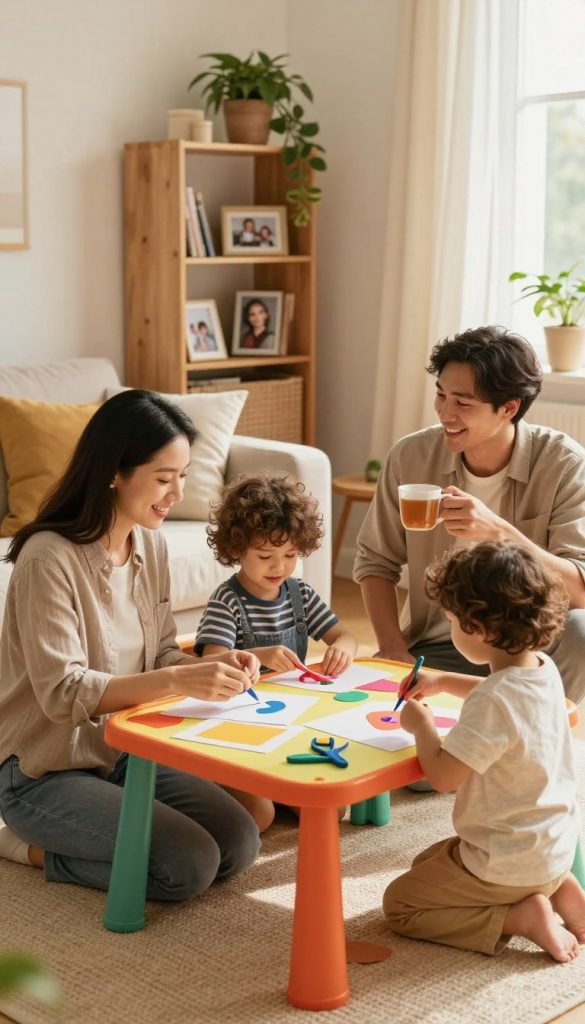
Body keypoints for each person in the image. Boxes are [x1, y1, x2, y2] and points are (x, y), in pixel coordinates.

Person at [0, 389, 261, 900]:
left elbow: (161, 653)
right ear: (114, 471)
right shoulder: (46, 559)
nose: (177, 493)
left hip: (121, 753)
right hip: (42, 770)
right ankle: (22, 847)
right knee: (187, 866)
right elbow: (61, 692)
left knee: (239, 840)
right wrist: (177, 678)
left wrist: (212, 662)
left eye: (183, 476)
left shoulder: (150, 544)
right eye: (164, 479)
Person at [354, 324, 585, 704]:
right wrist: (393, 648)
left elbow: (578, 590)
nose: (446, 412)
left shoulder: (563, 465)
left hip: (527, 652)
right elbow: (375, 560)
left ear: (508, 408)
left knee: (581, 631)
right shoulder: (411, 457)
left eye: (463, 403)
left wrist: (500, 533)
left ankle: (542, 730)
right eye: (441, 396)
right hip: (440, 647)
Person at [383, 541, 585, 962]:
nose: (451, 627)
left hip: (506, 863)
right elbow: (504, 700)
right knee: (429, 860)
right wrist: (441, 682)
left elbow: (441, 777)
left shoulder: (494, 702)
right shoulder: (543, 672)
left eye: (453, 621)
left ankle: (520, 916)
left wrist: (421, 726)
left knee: (402, 902)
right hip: (552, 845)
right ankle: (560, 887)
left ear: (482, 630)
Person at [196, 474, 358, 829]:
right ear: (236, 549)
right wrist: (262, 656)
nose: (279, 567)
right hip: (237, 730)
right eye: (266, 555)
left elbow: (344, 635)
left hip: (290, 724)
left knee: (330, 810)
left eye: (290, 555)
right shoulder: (228, 601)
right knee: (260, 816)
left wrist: (343, 650)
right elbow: (210, 661)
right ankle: (218, 780)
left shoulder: (299, 593)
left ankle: (275, 783)